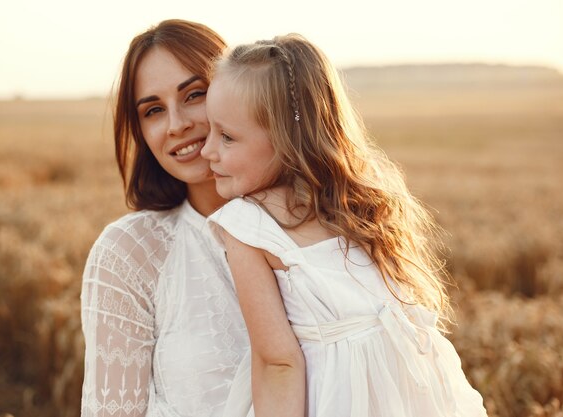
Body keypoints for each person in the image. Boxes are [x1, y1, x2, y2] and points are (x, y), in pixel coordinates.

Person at [202, 33, 488, 417]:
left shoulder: (245, 224)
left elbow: (278, 363)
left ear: (288, 140)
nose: (207, 150)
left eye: (226, 137)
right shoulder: (358, 203)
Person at [80, 20, 249, 417]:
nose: (176, 125)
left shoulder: (322, 225)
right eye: (153, 110)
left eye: (194, 95)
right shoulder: (130, 254)